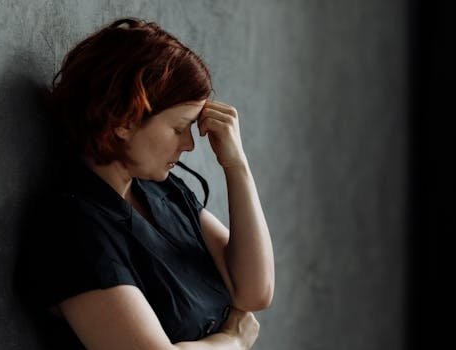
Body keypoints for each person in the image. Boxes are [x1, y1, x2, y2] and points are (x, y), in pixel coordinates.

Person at [14, 17, 274, 349]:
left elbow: (254, 291)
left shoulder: (163, 192)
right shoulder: (71, 230)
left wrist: (237, 166)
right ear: (124, 120)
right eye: (180, 128)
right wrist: (233, 341)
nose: (189, 145)